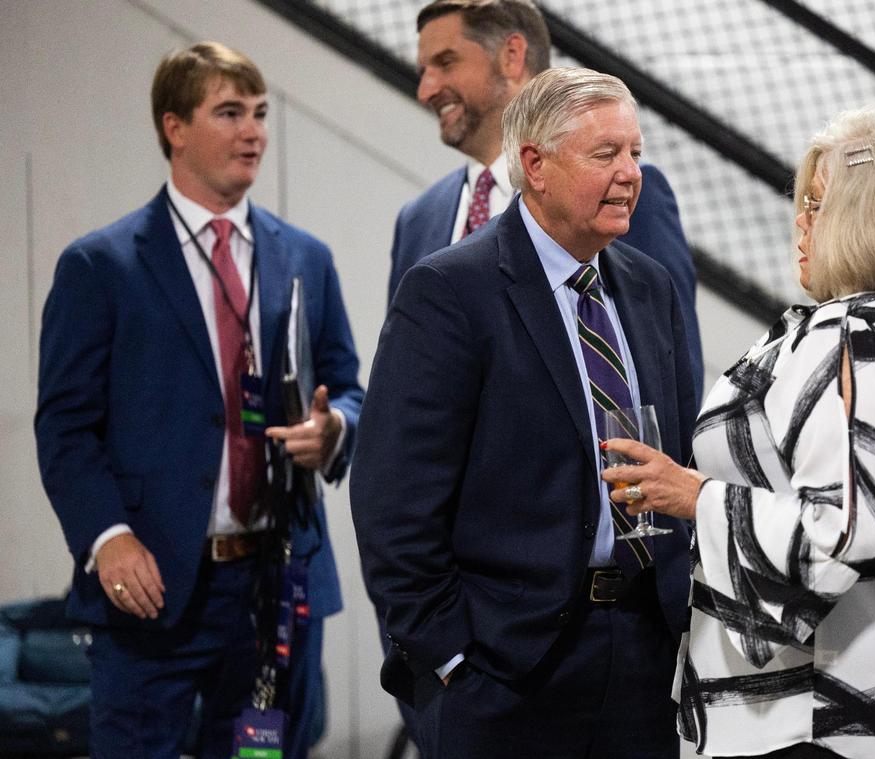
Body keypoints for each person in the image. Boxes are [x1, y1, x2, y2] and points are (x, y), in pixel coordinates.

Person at [602, 107, 875, 758]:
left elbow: (840, 533)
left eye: (820, 205)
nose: (800, 223)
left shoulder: (849, 335)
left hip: (835, 715)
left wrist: (692, 495)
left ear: (874, 217)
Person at [351, 67, 697, 758]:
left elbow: (681, 451)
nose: (631, 173)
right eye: (607, 154)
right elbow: (393, 501)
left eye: (635, 151)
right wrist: (452, 659)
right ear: (534, 165)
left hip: (642, 659)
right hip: (505, 672)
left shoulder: (649, 288)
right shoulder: (450, 291)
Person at [34, 42, 363, 759]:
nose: (254, 132)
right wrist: (107, 537)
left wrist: (333, 429)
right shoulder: (102, 264)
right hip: (152, 588)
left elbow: (351, 387)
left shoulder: (305, 256)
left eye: (261, 114)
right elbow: (65, 426)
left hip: (275, 588)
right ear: (174, 127)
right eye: (230, 112)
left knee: (260, 753)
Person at [392, 0, 704, 397]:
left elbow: (671, 372)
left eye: (446, 62)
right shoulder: (419, 218)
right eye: (423, 72)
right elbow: (405, 380)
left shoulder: (620, 193)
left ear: (511, 56)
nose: (426, 90)